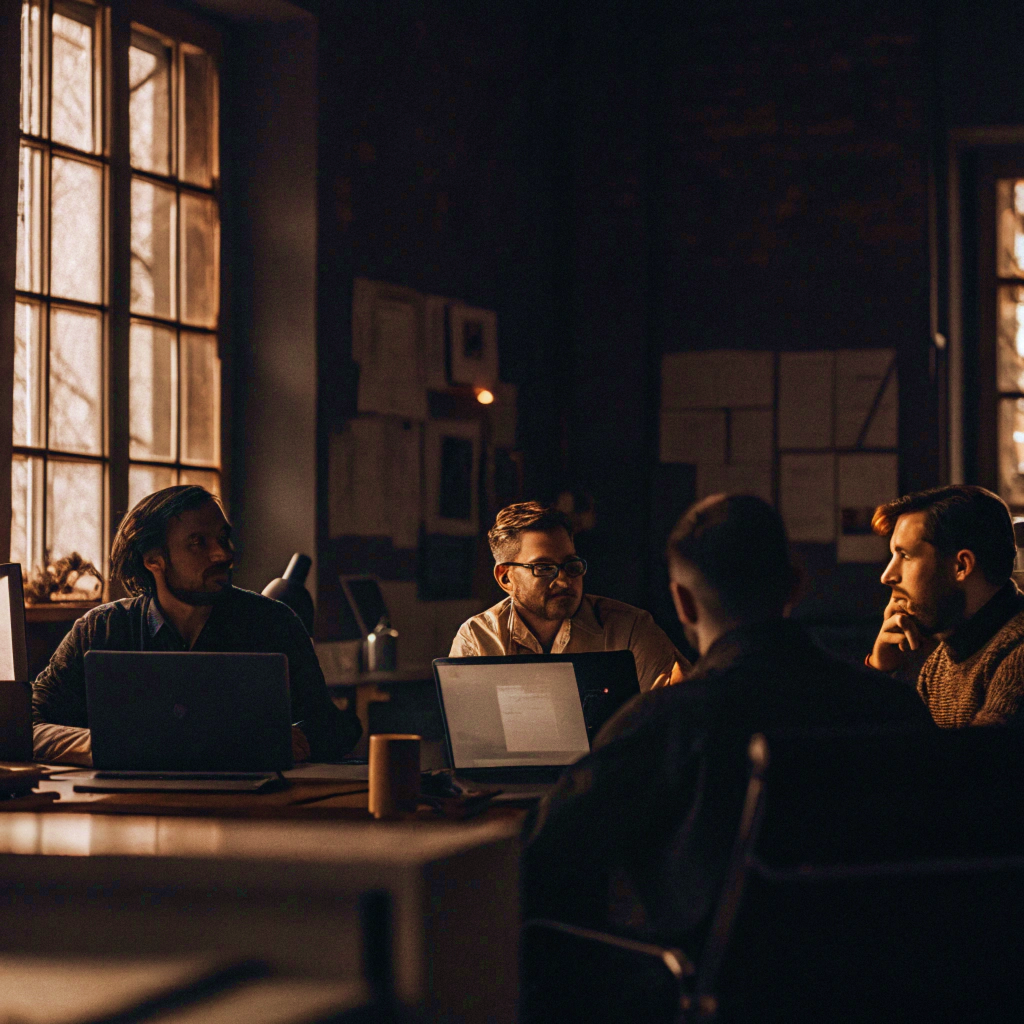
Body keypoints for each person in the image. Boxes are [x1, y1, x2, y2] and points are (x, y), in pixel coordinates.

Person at [521, 494, 932, 945]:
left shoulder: (666, 722)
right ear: (795, 585)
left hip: (714, 978)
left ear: (683, 603)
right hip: (878, 971)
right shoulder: (894, 709)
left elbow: (541, 856)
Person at [32, 485, 362, 766]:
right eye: (198, 542)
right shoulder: (101, 630)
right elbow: (25, 723)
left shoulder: (273, 623)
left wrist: (297, 739)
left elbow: (335, 727)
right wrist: (106, 745)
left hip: (247, 807)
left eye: (223, 538)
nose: (223, 554)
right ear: (153, 560)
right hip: (125, 805)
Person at [450, 501, 687, 692]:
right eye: (543, 567)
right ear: (505, 578)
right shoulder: (478, 639)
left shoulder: (631, 630)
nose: (564, 581)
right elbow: (470, 731)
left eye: (571, 564)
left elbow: (672, 714)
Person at [867, 484, 1024, 727]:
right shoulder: (941, 660)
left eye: (905, 556)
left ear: (961, 566)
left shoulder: (1017, 656)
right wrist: (882, 669)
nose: (887, 576)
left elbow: (979, 750)